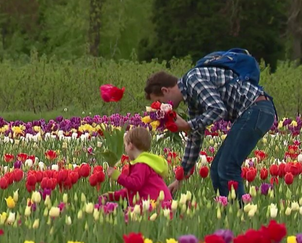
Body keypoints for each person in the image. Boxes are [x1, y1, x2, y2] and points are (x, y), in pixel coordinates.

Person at [143, 67, 276, 201]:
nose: (161, 107)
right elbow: (195, 136)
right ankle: (226, 210)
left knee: (227, 167)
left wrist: (188, 125)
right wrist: (180, 177)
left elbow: (218, 110)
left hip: (256, 109)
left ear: (165, 90)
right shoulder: (192, 99)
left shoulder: (193, 80)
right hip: (253, 112)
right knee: (217, 169)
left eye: (160, 102)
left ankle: (241, 213)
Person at [102, 127, 172, 207]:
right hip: (159, 203)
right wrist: (113, 195)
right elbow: (133, 190)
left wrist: (118, 176)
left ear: (130, 146)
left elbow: (135, 184)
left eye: (125, 145)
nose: (125, 149)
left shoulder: (141, 164)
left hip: (154, 206)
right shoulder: (147, 162)